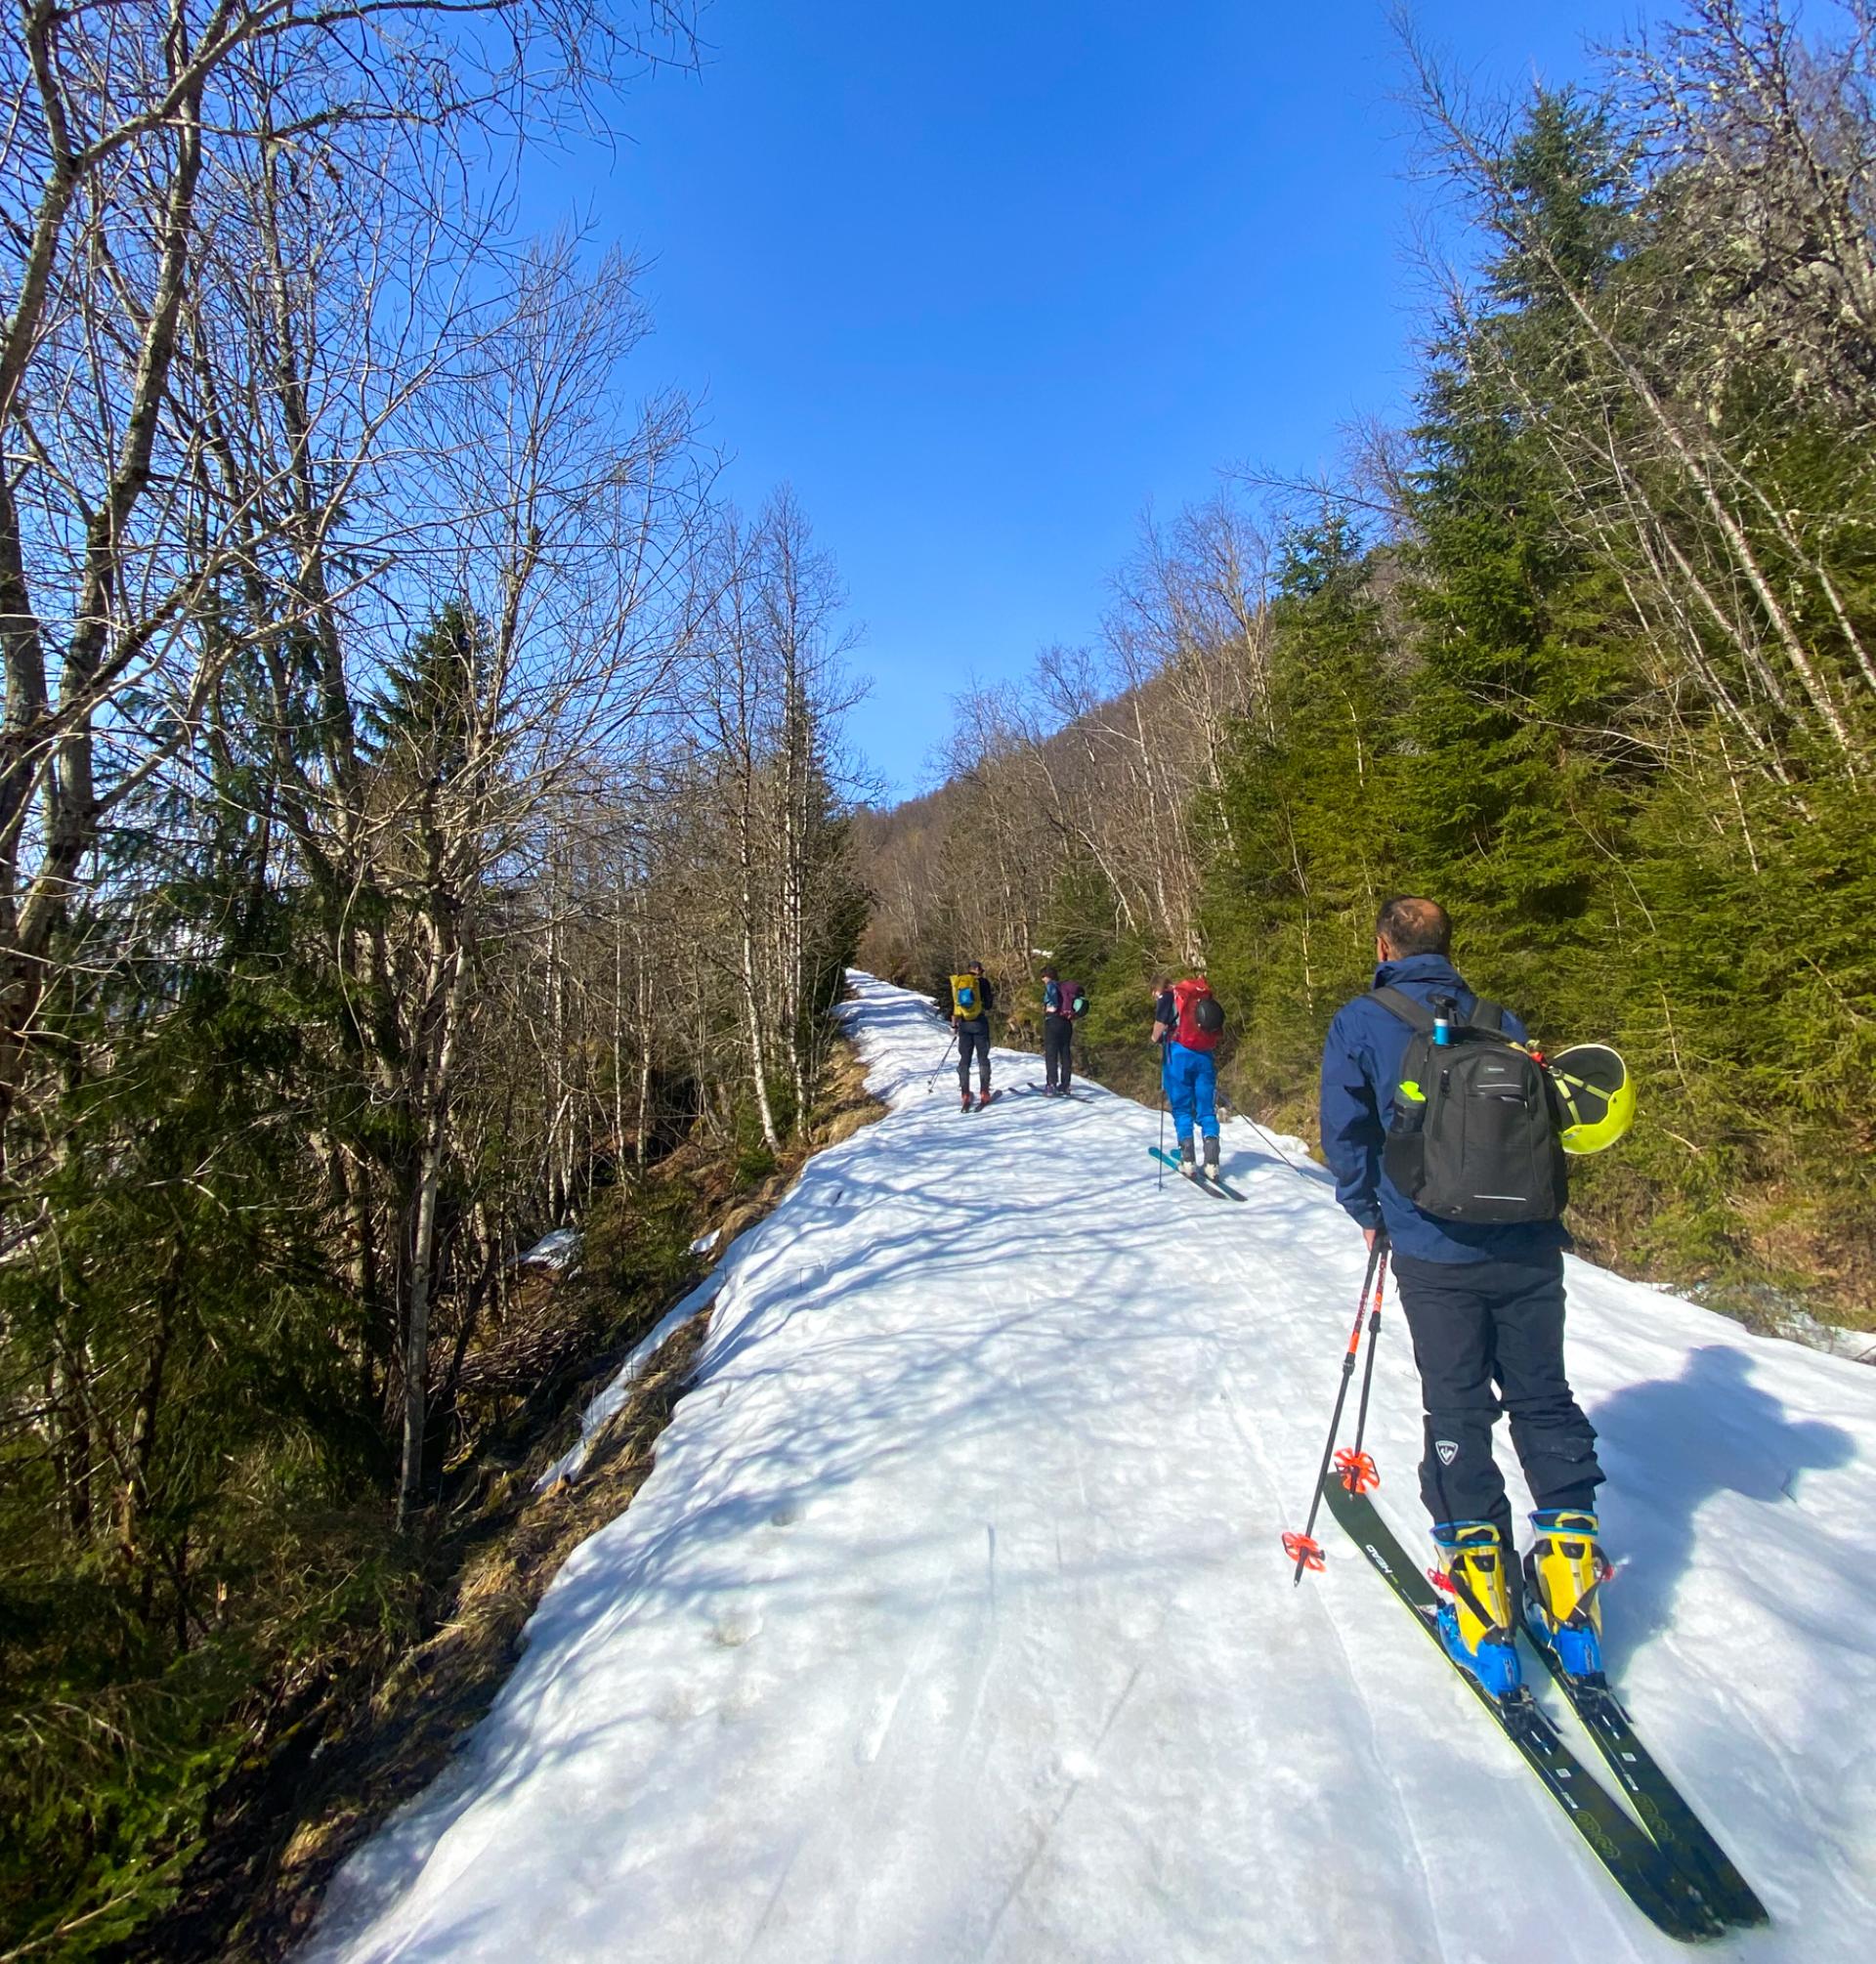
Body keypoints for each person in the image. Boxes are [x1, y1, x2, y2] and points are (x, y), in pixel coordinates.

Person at [1319, 895, 1607, 1697]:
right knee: (1544, 1400)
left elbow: (1345, 1131)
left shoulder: (1362, 1020)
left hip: (1432, 1247)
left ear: (1383, 945)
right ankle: (1573, 1607)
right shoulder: (1499, 1019)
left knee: (1457, 1406)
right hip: (1528, 1245)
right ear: (1448, 945)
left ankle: (1483, 1616)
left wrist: (1368, 1211)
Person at [1151, 974, 1222, 1178]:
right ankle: (1212, 1163)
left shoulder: (1167, 996)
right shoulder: (1197, 997)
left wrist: (1154, 1039)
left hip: (1179, 1056)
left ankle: (1188, 1160)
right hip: (1204, 1056)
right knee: (1206, 1109)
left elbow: (1159, 1030)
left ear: (1156, 989)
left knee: (1182, 1108)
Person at [951, 961, 995, 1111]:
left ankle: (965, 1095)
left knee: (964, 1059)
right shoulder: (982, 982)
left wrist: (954, 1026)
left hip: (964, 1024)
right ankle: (984, 1093)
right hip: (980, 1023)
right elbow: (988, 1005)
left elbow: (955, 1006)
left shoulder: (959, 982)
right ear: (976, 969)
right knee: (983, 1058)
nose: (982, 972)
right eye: (981, 970)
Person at [1041, 965, 1074, 1097]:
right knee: (1065, 1052)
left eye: (1043, 977)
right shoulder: (1064, 987)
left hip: (1053, 1021)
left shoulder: (1051, 985)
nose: (1042, 980)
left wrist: (1052, 1006)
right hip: (1066, 1022)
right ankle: (1065, 1084)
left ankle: (1051, 1084)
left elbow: (1053, 1001)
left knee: (1051, 1053)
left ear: (1047, 976)